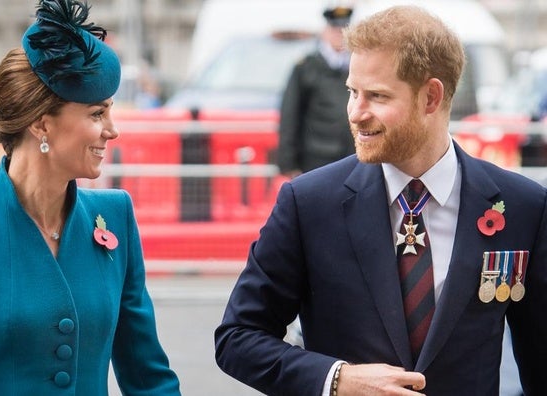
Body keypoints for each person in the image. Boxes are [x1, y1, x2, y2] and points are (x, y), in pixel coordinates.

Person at [215, 5, 547, 395]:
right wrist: (337, 380)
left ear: (431, 98)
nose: (355, 113)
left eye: (376, 95)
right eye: (352, 92)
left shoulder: (523, 206)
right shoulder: (308, 203)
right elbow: (237, 337)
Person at [0, 0, 181, 395]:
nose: (112, 131)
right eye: (97, 114)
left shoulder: (115, 215)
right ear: (41, 123)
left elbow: (149, 378)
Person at [276, 6, 355, 178]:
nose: (339, 34)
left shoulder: (358, 65)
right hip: (316, 159)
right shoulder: (306, 67)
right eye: (335, 29)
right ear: (325, 31)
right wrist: (288, 163)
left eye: (344, 29)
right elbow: (290, 115)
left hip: (352, 156)